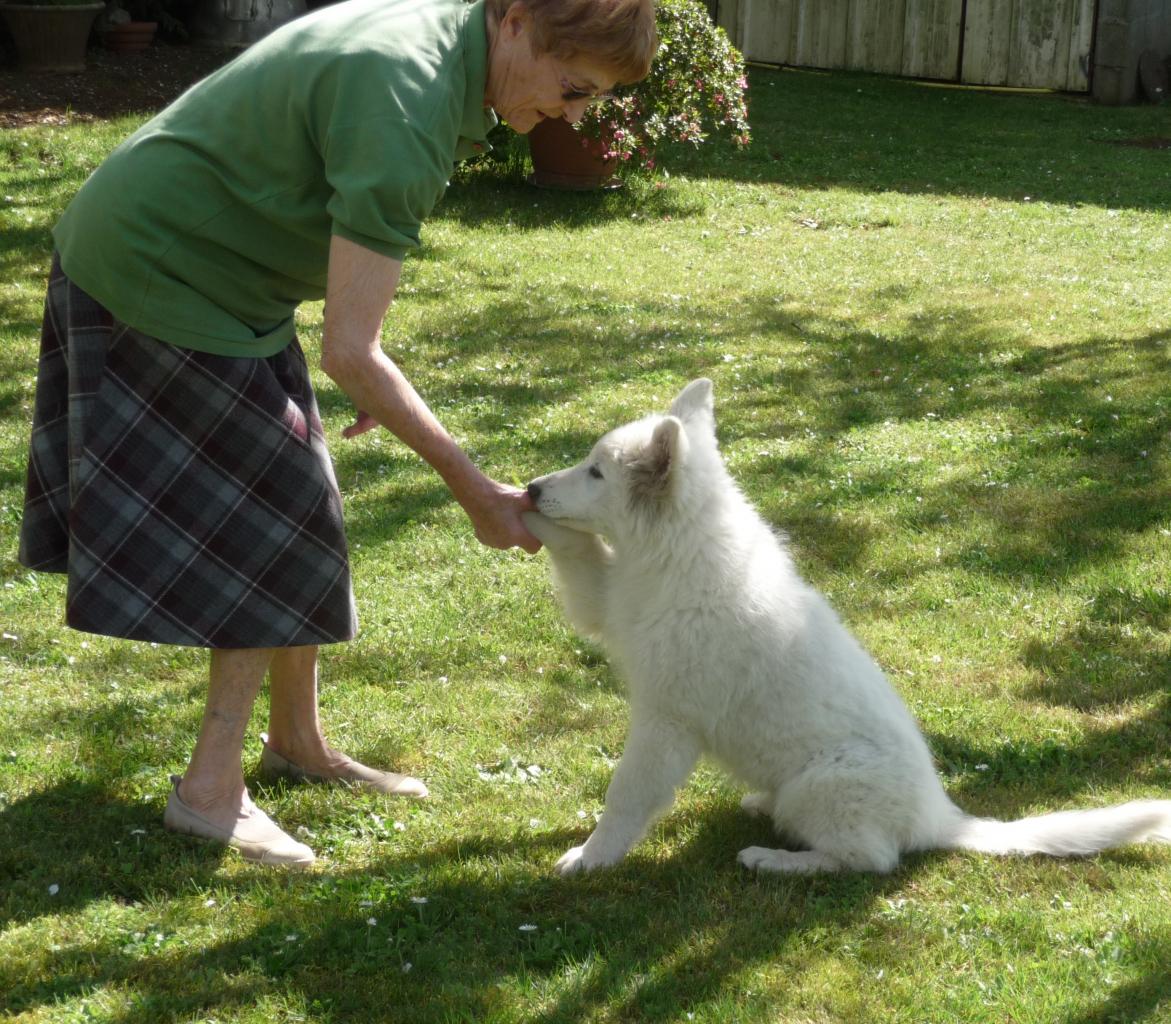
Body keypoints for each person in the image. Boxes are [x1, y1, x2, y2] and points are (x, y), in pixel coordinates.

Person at [18, 0, 657, 867]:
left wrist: (367, 374)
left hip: (224, 280)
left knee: (301, 511)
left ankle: (297, 742)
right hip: (159, 270)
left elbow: (344, 288)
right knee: (272, 529)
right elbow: (353, 351)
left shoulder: (440, 45)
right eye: (572, 88)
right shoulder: (407, 94)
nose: (574, 114)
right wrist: (474, 489)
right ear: (513, 22)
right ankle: (210, 795)